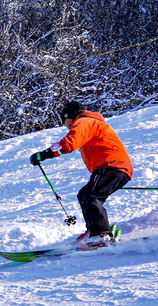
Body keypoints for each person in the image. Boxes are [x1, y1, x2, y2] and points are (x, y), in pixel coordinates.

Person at [29, 100, 133, 247]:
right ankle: (94, 230)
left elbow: (69, 143)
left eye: (64, 122)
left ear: (69, 117)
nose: (65, 126)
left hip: (111, 166)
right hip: (113, 167)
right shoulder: (92, 122)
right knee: (84, 195)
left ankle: (101, 235)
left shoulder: (84, 122)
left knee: (91, 197)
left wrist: (44, 154)